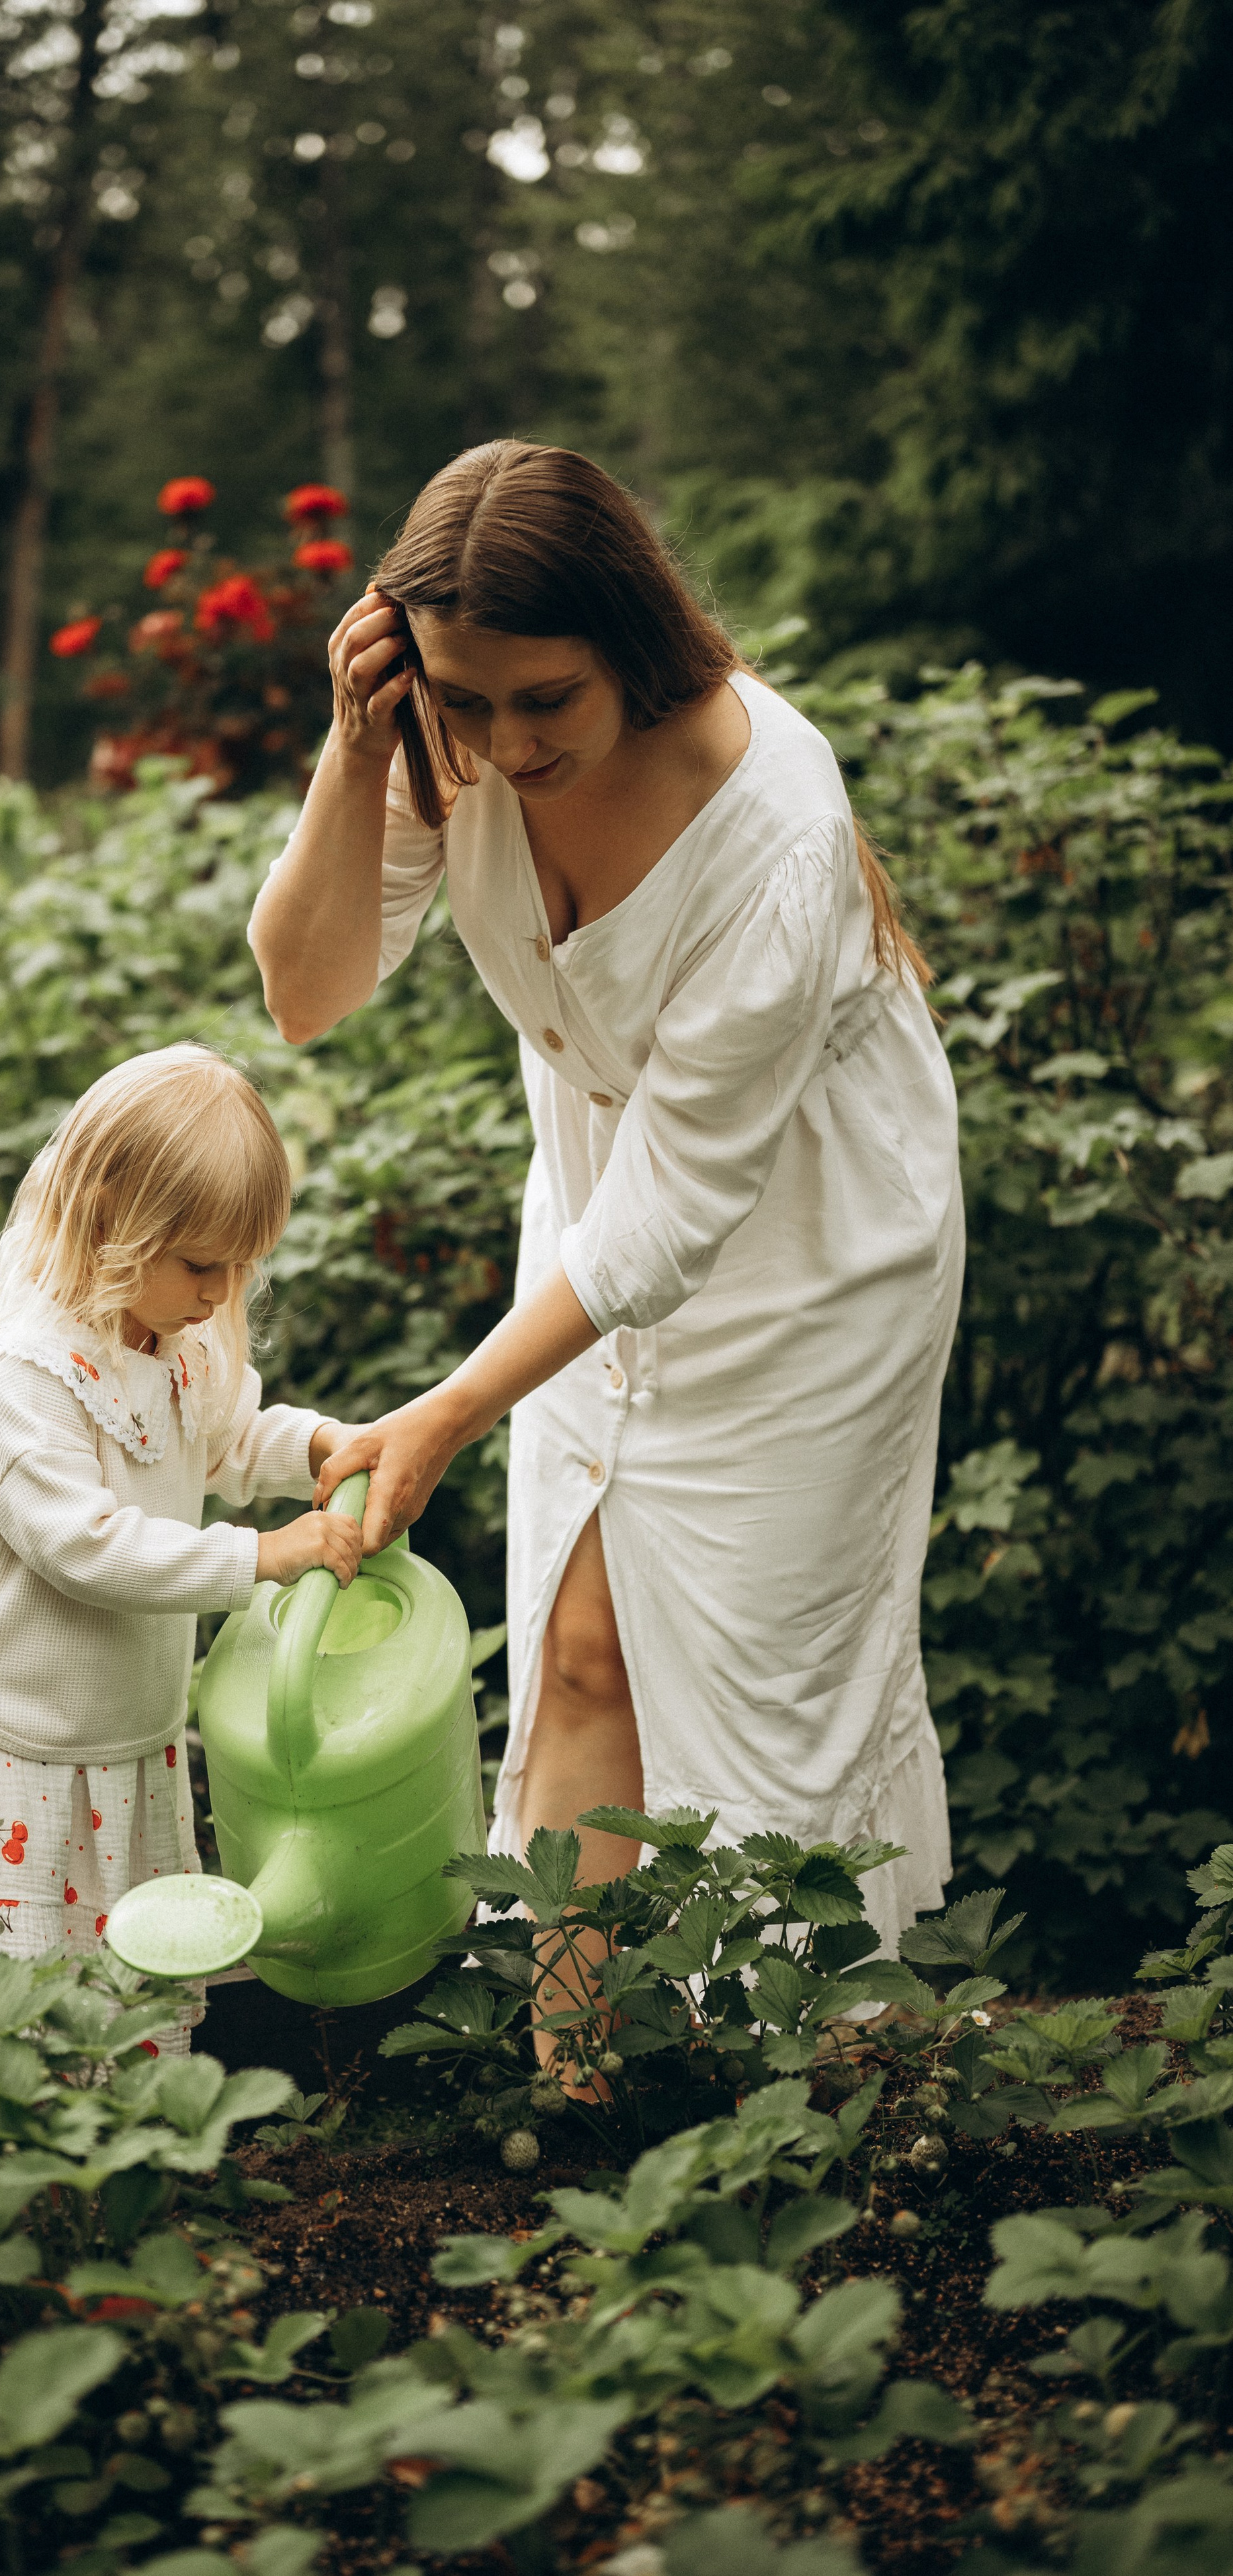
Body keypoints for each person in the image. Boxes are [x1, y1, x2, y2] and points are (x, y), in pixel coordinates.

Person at [249, 441, 964, 1959]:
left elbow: (677, 1210)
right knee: (577, 1655)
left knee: (762, 1697)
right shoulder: (444, 745)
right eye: (461, 699)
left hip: (805, 1250)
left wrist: (441, 1413)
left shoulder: (769, 821)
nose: (503, 748)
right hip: (591, 1229)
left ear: (630, 648)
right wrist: (364, 745)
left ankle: (789, 2104)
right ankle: (576, 2103)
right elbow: (304, 991)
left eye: (542, 701)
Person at [0, 1044, 365, 2043]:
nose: (220, 1293)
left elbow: (227, 1441)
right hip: (6, 1758)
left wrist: (322, 1445)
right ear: (111, 1224)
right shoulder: (21, 1376)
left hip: (121, 1750)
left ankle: (102, 2178)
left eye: (240, 1266)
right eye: (202, 1264)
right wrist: (263, 1557)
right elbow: (88, 1549)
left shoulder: (169, 1344)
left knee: (113, 2013)